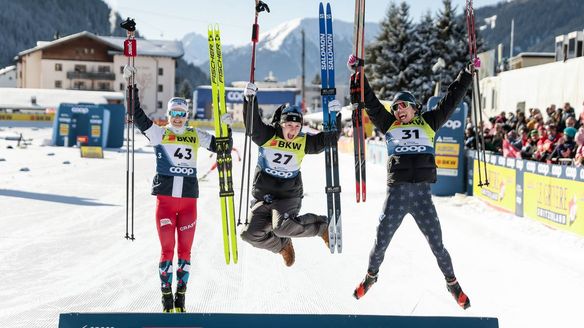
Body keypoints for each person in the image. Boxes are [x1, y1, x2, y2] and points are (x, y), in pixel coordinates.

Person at [347, 54, 473, 309]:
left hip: (422, 197)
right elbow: (370, 102)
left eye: (403, 105)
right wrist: (359, 74)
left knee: (437, 244)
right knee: (381, 240)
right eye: (395, 108)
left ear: (415, 107)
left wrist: (467, 73)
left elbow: (451, 100)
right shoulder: (388, 124)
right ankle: (371, 277)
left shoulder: (429, 121)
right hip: (397, 195)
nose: (398, 111)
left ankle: (452, 284)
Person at [126, 65, 232, 313]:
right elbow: (136, 113)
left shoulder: (196, 135)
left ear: (187, 115)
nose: (177, 117)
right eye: (173, 112)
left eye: (181, 113)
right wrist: (131, 85)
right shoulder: (158, 134)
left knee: (185, 251)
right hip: (165, 203)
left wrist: (226, 128)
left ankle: (180, 300)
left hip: (188, 205)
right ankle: (166, 299)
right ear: (168, 113)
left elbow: (223, 148)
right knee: (167, 250)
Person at [239, 82, 342, 267]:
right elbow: (252, 127)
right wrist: (250, 100)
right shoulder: (268, 136)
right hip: (263, 197)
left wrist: (336, 117)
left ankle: (321, 226)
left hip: (288, 196)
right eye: (288, 124)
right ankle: (281, 246)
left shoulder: (303, 141)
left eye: (297, 125)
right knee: (249, 235)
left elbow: (328, 140)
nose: (293, 130)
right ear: (281, 124)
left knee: (281, 227)